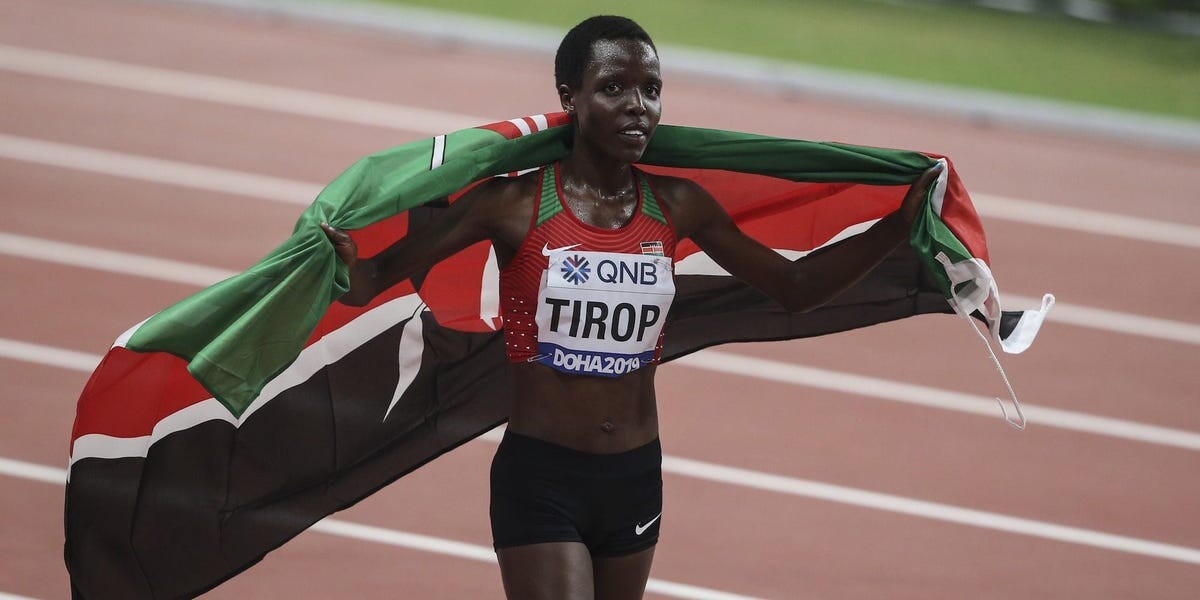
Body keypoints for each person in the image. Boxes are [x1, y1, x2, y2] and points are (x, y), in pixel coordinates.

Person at [322, 15, 941, 600]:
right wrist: (341, 264)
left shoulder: (678, 205)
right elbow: (368, 281)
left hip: (635, 477)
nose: (638, 105)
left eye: (651, 89)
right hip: (542, 476)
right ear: (570, 97)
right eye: (613, 87)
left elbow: (794, 288)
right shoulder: (512, 205)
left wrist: (897, 227)